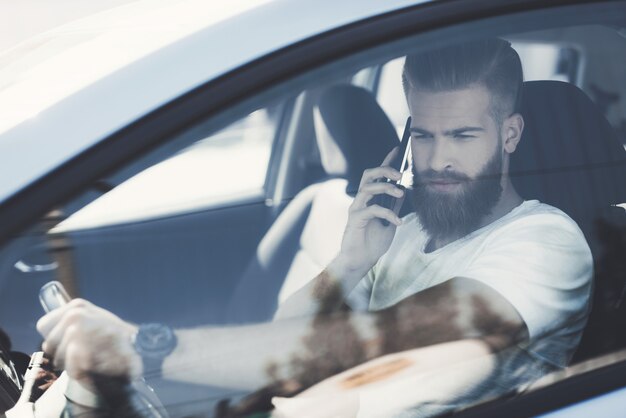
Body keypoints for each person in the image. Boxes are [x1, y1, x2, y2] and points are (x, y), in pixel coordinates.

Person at [35, 38, 592, 416]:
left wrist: (145, 348)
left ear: (511, 134)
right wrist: (349, 262)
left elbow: (379, 340)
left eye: (464, 137)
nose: (438, 160)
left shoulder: (547, 242)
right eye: (423, 136)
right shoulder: (402, 230)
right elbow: (290, 331)